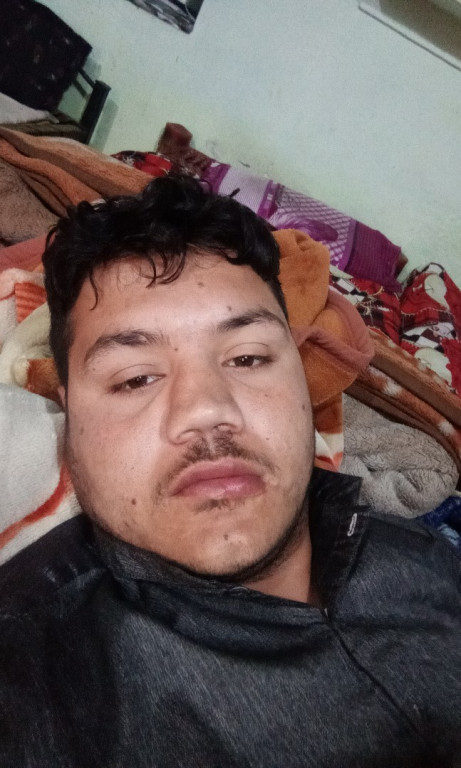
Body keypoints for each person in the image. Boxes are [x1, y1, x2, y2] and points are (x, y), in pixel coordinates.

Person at [0, 175, 460, 768]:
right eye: (136, 378)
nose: (206, 409)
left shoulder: (425, 556)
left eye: (247, 358)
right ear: (70, 414)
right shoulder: (32, 684)